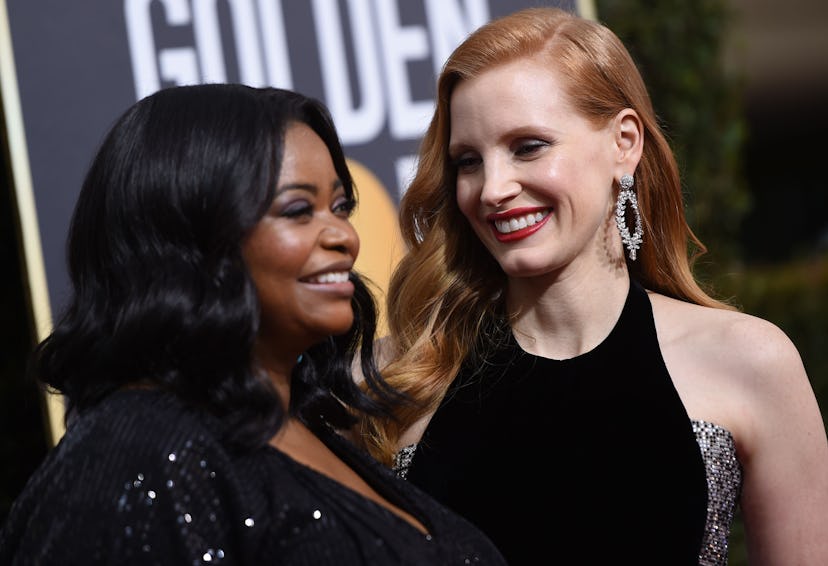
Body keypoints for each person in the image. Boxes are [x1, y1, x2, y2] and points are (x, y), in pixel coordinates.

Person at [353, 7, 828, 565]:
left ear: (624, 143)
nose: (492, 189)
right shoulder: (396, 379)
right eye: (468, 161)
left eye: (528, 146)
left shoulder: (749, 361)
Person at [0, 83, 508, 565]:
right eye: (297, 210)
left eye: (339, 207)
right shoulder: (138, 452)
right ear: (189, 238)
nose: (344, 238)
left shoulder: (314, 428)